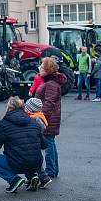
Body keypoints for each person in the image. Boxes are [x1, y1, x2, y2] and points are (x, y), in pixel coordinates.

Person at [0, 96, 47, 193]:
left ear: (9, 108)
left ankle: (13, 180)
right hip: (37, 163)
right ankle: (32, 175)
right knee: (27, 153)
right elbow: (44, 145)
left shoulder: (3, 124)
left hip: (17, 163)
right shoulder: (34, 122)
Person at [35, 57, 64, 185]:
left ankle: (50, 170)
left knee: (48, 144)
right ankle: (53, 169)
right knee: (51, 143)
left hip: (49, 119)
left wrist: (41, 118)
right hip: (50, 118)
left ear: (48, 69)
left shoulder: (51, 84)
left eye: (42, 66)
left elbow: (49, 103)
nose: (39, 68)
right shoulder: (50, 82)